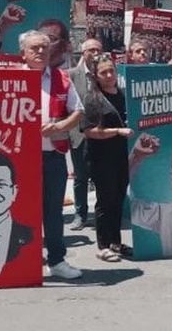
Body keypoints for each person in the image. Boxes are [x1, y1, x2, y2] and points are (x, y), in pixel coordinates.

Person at [20, 29, 84, 280]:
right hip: (20, 159)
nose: (40, 52)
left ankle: (56, 260)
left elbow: (77, 111)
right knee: (23, 211)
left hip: (53, 157)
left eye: (44, 48)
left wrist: (59, 127)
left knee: (53, 213)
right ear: (23, 53)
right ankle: (25, 260)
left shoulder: (62, 79)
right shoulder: (9, 79)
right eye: (34, 48)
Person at [82, 54, 134, 261]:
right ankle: (102, 245)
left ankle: (116, 242)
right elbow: (89, 131)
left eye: (112, 70)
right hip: (101, 157)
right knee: (105, 200)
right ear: (96, 76)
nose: (109, 75)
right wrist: (117, 132)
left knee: (119, 198)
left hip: (122, 155)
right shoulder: (92, 98)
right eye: (104, 72)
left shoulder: (123, 94)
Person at [67, 38, 103, 231]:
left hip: (101, 133)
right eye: (92, 50)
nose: (96, 53)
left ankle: (101, 216)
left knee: (101, 177)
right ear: (84, 53)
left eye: (99, 50)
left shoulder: (105, 74)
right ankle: (80, 215)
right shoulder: (72, 75)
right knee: (81, 178)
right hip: (79, 134)